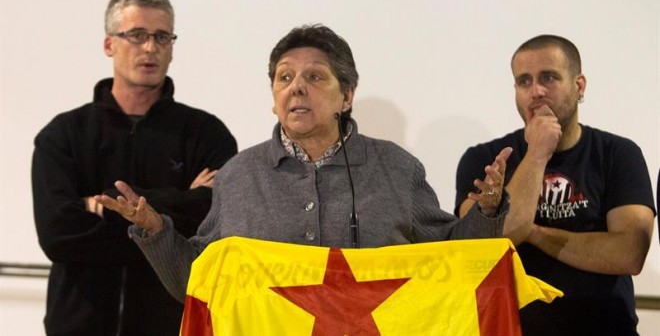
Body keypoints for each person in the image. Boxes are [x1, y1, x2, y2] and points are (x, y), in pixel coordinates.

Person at [96, 24, 554, 304]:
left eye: (315, 76)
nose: (297, 88)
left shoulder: (396, 168)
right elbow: (197, 284)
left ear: (347, 94)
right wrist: (157, 232)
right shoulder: (238, 176)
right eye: (285, 77)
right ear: (273, 97)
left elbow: (453, 260)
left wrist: (490, 210)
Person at [31, 0, 237, 335]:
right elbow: (58, 235)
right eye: (137, 34)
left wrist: (106, 204)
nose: (150, 47)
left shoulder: (206, 135)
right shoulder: (63, 135)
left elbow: (213, 232)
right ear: (109, 44)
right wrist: (170, 219)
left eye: (162, 37)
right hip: (78, 326)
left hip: (173, 326)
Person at [454, 35, 656, 335]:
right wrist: (537, 153)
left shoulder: (619, 153)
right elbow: (478, 251)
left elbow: (628, 253)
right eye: (524, 81)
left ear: (579, 86)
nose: (536, 91)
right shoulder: (484, 159)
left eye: (548, 77)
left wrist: (531, 231)